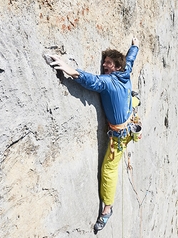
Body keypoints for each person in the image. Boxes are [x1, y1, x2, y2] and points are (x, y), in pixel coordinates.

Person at [50, 38, 139, 232]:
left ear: (116, 67)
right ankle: (134, 101)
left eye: (107, 63)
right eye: (104, 62)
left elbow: (91, 80)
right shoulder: (126, 72)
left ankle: (107, 208)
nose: (104, 66)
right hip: (127, 120)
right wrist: (135, 46)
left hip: (119, 135)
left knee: (109, 169)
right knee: (132, 100)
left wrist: (68, 69)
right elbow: (130, 59)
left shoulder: (108, 82)